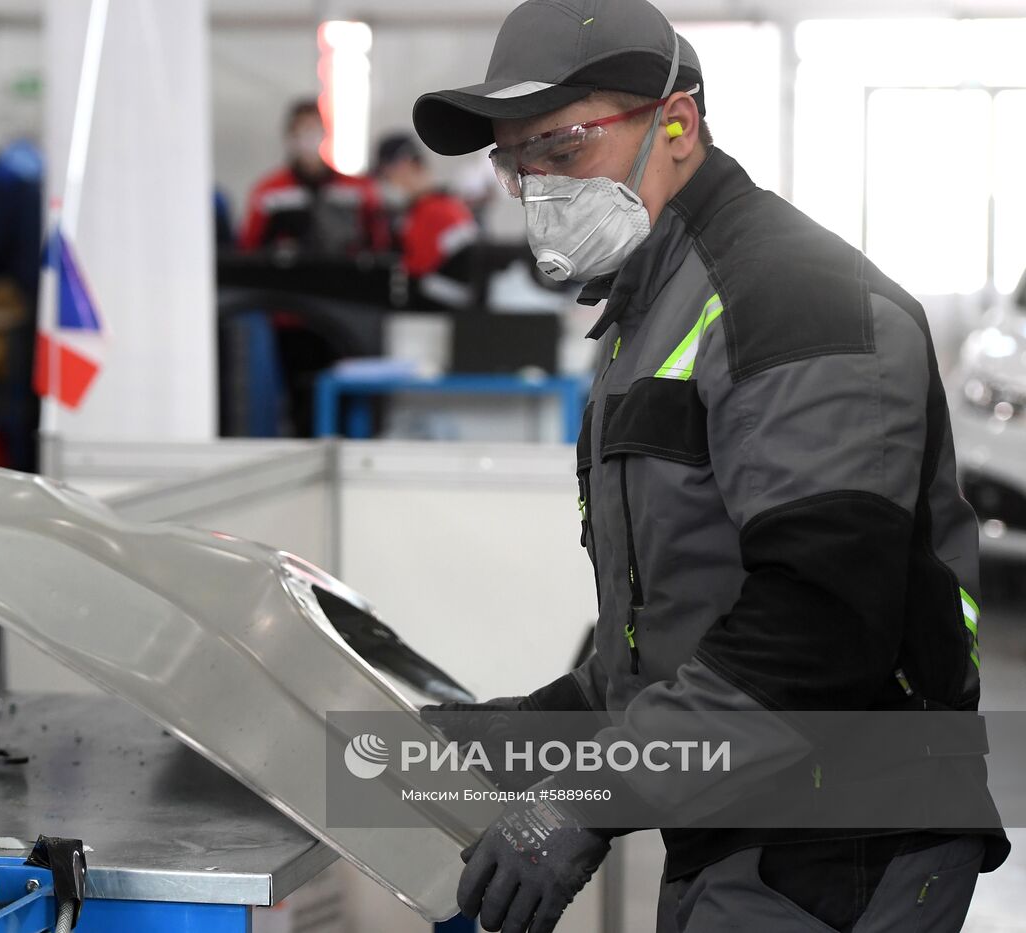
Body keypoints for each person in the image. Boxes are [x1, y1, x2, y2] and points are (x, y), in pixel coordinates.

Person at [411, 1, 1008, 931]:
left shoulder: (794, 300)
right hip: (743, 815)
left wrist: (589, 798)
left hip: (843, 835)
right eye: (513, 161)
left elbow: (821, 623)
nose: (535, 187)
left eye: (562, 149)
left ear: (677, 124)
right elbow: (688, 611)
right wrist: (536, 728)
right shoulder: (649, 316)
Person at [238, 99, 388, 254]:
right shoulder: (269, 192)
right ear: (291, 136)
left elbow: (378, 241)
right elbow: (249, 247)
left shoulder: (356, 189)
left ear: (324, 132)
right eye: (302, 129)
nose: (309, 136)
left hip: (345, 274)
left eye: (313, 128)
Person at [374, 132, 479, 309]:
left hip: (444, 313)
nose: (385, 184)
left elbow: (414, 272)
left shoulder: (433, 212)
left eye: (387, 176)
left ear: (404, 167)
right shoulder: (444, 206)